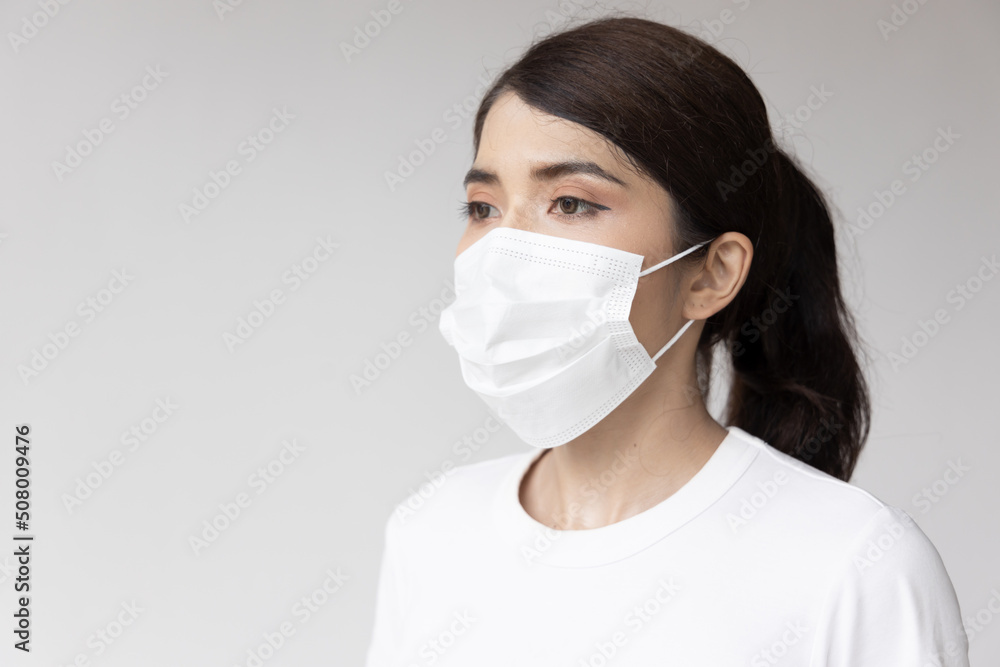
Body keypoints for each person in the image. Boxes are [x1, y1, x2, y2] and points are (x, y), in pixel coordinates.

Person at [364, 15, 970, 666]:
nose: (503, 251)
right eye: (483, 207)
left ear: (712, 273)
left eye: (569, 202)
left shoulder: (856, 566)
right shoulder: (431, 531)